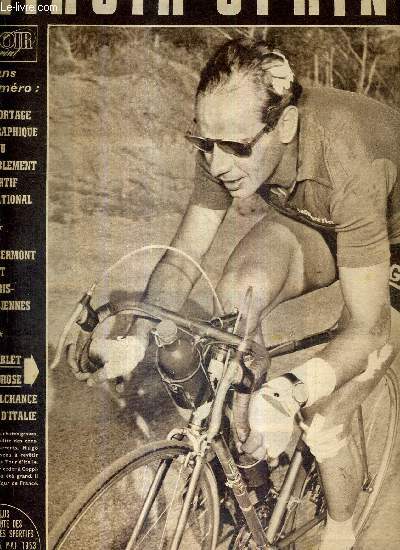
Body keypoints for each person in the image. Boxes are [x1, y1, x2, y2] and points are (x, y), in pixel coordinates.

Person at [69, 39, 400, 549]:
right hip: (320, 220)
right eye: (206, 143)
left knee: (324, 413)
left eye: (237, 148)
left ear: (284, 126)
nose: (219, 164)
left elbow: (366, 325)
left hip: (387, 237)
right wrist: (134, 336)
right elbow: (183, 255)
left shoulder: (350, 156)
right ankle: (247, 461)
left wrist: (292, 388)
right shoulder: (226, 139)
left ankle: (340, 531)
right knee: (235, 298)